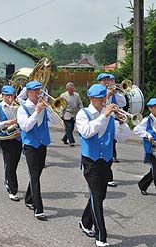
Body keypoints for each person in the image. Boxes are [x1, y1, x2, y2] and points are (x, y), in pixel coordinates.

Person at [76, 84, 130, 247]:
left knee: (99, 195)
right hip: (90, 162)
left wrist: (121, 123)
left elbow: (122, 138)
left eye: (104, 98)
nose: (103, 101)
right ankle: (101, 236)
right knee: (98, 197)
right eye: (99, 99)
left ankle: (85, 222)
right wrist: (104, 116)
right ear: (91, 99)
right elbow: (87, 131)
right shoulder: (83, 114)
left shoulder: (110, 116)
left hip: (105, 162)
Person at [17, 80, 60, 220]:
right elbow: (26, 127)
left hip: (43, 144)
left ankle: (29, 198)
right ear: (28, 93)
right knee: (34, 176)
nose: (38, 93)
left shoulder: (44, 106)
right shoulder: (22, 109)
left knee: (37, 173)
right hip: (30, 145)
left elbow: (55, 121)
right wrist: (37, 111)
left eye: (39, 90)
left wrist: (51, 107)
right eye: (35, 91)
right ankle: (38, 208)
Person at [0, 85, 22, 201]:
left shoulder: (19, 107)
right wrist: (7, 123)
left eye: (12, 95)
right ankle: (13, 190)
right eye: (7, 95)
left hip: (18, 138)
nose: (10, 98)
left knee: (14, 163)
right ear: (3, 96)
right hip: (5, 139)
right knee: (10, 164)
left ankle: (8, 180)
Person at [97, 73, 126, 187]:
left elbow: (123, 103)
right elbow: (101, 106)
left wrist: (117, 92)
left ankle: (108, 177)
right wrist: (107, 95)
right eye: (104, 80)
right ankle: (98, 175)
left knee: (109, 149)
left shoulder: (113, 91)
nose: (107, 82)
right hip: (99, 124)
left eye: (108, 80)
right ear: (99, 82)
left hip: (111, 123)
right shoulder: (96, 92)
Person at [133, 98, 156, 195]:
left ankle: (143, 185)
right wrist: (148, 135)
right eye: (155, 107)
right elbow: (136, 129)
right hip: (152, 149)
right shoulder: (147, 120)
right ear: (150, 108)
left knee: (154, 170)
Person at [59, 82, 83, 146]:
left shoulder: (77, 95)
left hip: (74, 114)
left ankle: (64, 138)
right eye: (70, 89)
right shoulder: (63, 95)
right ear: (67, 89)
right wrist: (61, 115)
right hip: (66, 113)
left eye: (72, 89)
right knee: (69, 127)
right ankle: (71, 141)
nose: (72, 90)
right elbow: (61, 106)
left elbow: (80, 104)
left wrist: (82, 111)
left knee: (71, 128)